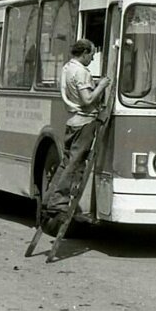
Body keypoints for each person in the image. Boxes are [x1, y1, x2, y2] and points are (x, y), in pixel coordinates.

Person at [41, 39, 111, 233]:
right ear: (84, 53)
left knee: (65, 163)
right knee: (75, 164)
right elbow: (87, 99)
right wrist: (102, 86)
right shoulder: (81, 71)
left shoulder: (67, 68)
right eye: (91, 54)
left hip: (72, 121)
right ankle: (59, 202)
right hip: (85, 121)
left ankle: (49, 199)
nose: (93, 57)